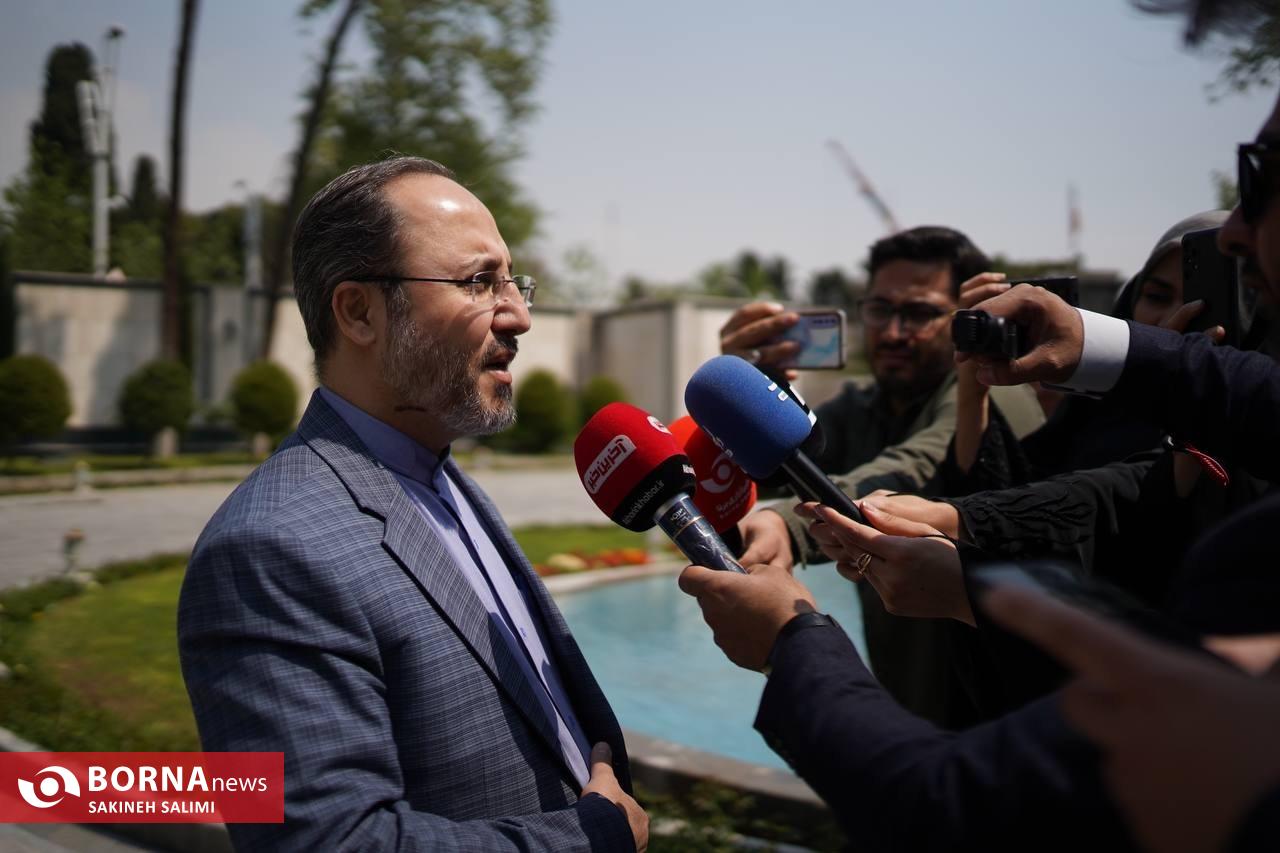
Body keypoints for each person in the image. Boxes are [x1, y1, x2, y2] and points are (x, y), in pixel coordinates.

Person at [178, 157, 647, 852]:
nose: (519, 314)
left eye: (513, 280)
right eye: (478, 282)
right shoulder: (266, 552)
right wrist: (591, 838)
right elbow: (329, 841)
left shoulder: (443, 477)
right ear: (359, 311)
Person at [722, 226, 1044, 727]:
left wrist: (788, 524)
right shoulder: (859, 407)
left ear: (968, 318)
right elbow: (762, 472)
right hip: (912, 715)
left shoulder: (993, 393)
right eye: (880, 309)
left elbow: (916, 467)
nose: (893, 332)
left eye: (919, 313)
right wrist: (743, 401)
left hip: (1007, 722)